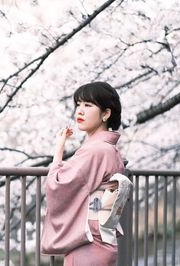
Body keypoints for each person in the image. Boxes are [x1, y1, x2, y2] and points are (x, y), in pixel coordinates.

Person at [40, 82, 125, 266]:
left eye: (88, 105)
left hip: (89, 240)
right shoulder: (108, 149)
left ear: (106, 114)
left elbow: (58, 184)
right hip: (101, 236)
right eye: (78, 104)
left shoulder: (96, 150)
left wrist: (59, 147)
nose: (80, 110)